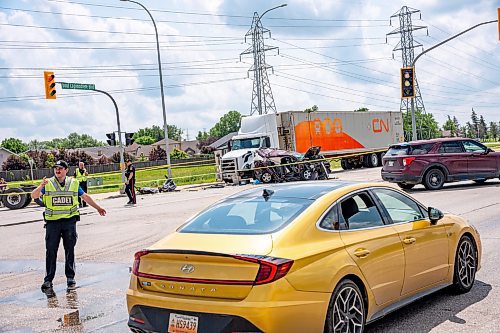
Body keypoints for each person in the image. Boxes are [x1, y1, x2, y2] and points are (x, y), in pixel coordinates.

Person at [31, 160, 106, 292]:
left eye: (60, 168)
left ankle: (70, 279)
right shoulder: (48, 183)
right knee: (51, 252)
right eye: (56, 168)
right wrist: (40, 185)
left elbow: (85, 197)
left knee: (69, 251)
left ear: (66, 170)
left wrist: (98, 208)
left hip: (69, 222)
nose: (57, 171)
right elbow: (34, 196)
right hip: (52, 223)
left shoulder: (74, 183)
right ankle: (48, 280)